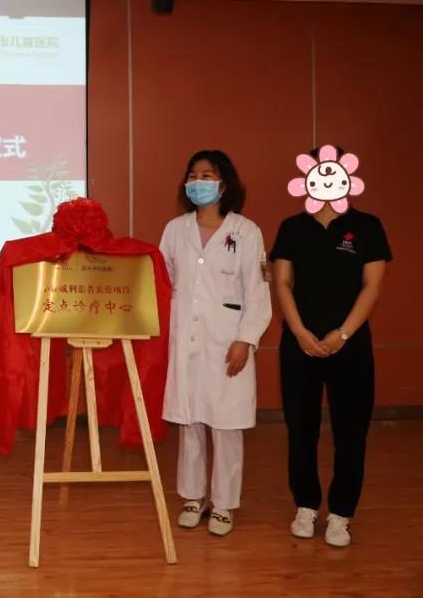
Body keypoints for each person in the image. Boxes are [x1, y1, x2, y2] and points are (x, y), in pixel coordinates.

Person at [271, 146, 391, 548]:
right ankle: (306, 505)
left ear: (348, 176)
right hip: (299, 346)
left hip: (351, 348)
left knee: (351, 432)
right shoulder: (292, 227)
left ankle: (341, 513)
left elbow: (372, 285)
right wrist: (300, 332)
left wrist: (341, 334)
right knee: (300, 430)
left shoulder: (367, 226)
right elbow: (281, 282)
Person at [159, 150, 271, 536]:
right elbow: (161, 282)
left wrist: (246, 339)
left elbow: (257, 293)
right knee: (190, 421)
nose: (198, 182)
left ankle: (223, 504)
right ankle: (193, 497)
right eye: (192, 175)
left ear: (225, 184)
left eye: (207, 175)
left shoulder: (246, 231)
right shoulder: (175, 230)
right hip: (185, 342)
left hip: (228, 342)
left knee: (226, 426)